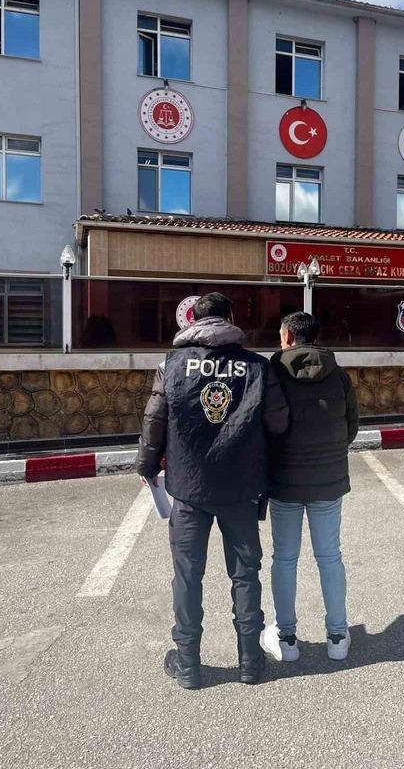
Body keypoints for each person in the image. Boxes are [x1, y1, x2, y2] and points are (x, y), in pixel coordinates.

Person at [136, 292, 289, 689]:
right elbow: (278, 423)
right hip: (240, 487)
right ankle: (250, 662)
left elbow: (155, 420)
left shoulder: (171, 364)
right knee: (245, 574)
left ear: (193, 321)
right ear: (230, 319)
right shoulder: (256, 366)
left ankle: (188, 664)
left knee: (187, 576)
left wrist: (147, 466)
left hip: (189, 489)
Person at [260, 311, 358, 663]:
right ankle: (337, 636)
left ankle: (286, 638)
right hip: (328, 481)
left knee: (284, 559)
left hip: (284, 481)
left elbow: (263, 425)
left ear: (287, 336)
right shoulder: (339, 375)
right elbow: (351, 428)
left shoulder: (272, 374)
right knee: (330, 557)